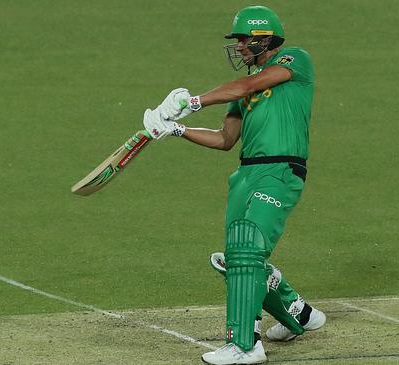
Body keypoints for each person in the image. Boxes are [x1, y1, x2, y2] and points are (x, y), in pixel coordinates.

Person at [143, 5, 325, 365]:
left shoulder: (294, 60)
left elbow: (249, 84)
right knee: (237, 259)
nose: (239, 47)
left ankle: (245, 345)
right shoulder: (244, 92)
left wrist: (193, 102)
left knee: (246, 251)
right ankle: (299, 315)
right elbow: (225, 139)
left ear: (263, 39)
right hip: (246, 174)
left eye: (243, 39)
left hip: (279, 170)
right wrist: (176, 130)